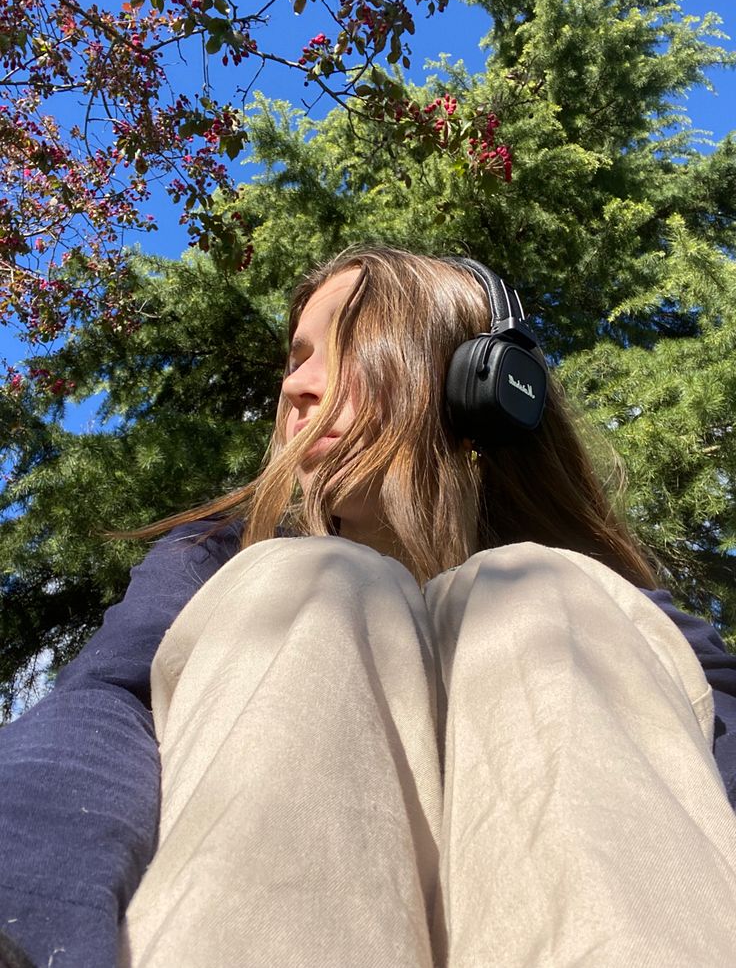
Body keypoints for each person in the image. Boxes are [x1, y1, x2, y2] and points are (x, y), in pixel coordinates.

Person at [1, 246, 736, 968]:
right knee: (313, 580)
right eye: (295, 359)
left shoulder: (624, 614)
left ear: (474, 386)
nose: (296, 387)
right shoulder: (215, 561)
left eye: (345, 347)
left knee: (541, 589)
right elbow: (99, 718)